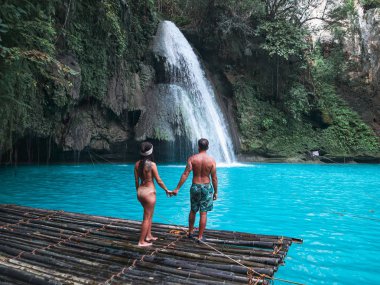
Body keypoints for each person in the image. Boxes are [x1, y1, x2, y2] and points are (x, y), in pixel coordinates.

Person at [172, 138, 218, 241]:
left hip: (195, 186)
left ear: (198, 147)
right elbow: (214, 178)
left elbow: (185, 174)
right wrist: (216, 192)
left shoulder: (192, 159)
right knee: (203, 212)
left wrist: (177, 188)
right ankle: (200, 236)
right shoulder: (211, 161)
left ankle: (190, 232)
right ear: (208, 147)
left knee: (193, 210)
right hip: (206, 186)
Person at [134, 141, 171, 247]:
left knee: (149, 215)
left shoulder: (137, 164)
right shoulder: (152, 165)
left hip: (140, 192)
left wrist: (138, 193)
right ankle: (141, 241)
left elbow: (136, 181)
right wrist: (166, 190)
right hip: (149, 193)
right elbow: (159, 181)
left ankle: (148, 235)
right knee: (146, 217)